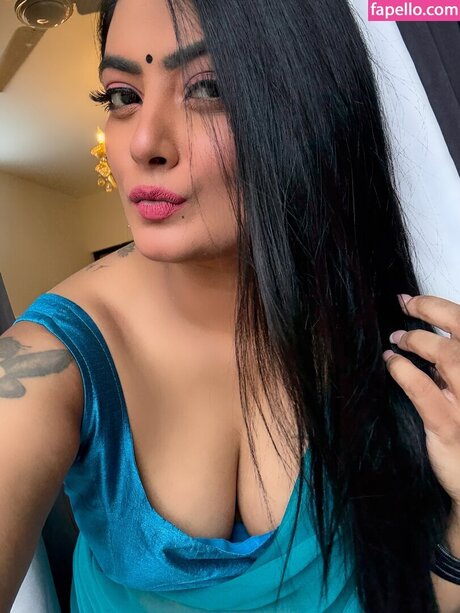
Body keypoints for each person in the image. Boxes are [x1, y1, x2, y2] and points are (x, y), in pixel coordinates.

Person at [1, 0, 460, 610]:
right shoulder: (49, 360)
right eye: (122, 96)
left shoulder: (381, 323)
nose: (144, 143)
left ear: (305, 105)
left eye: (208, 89)